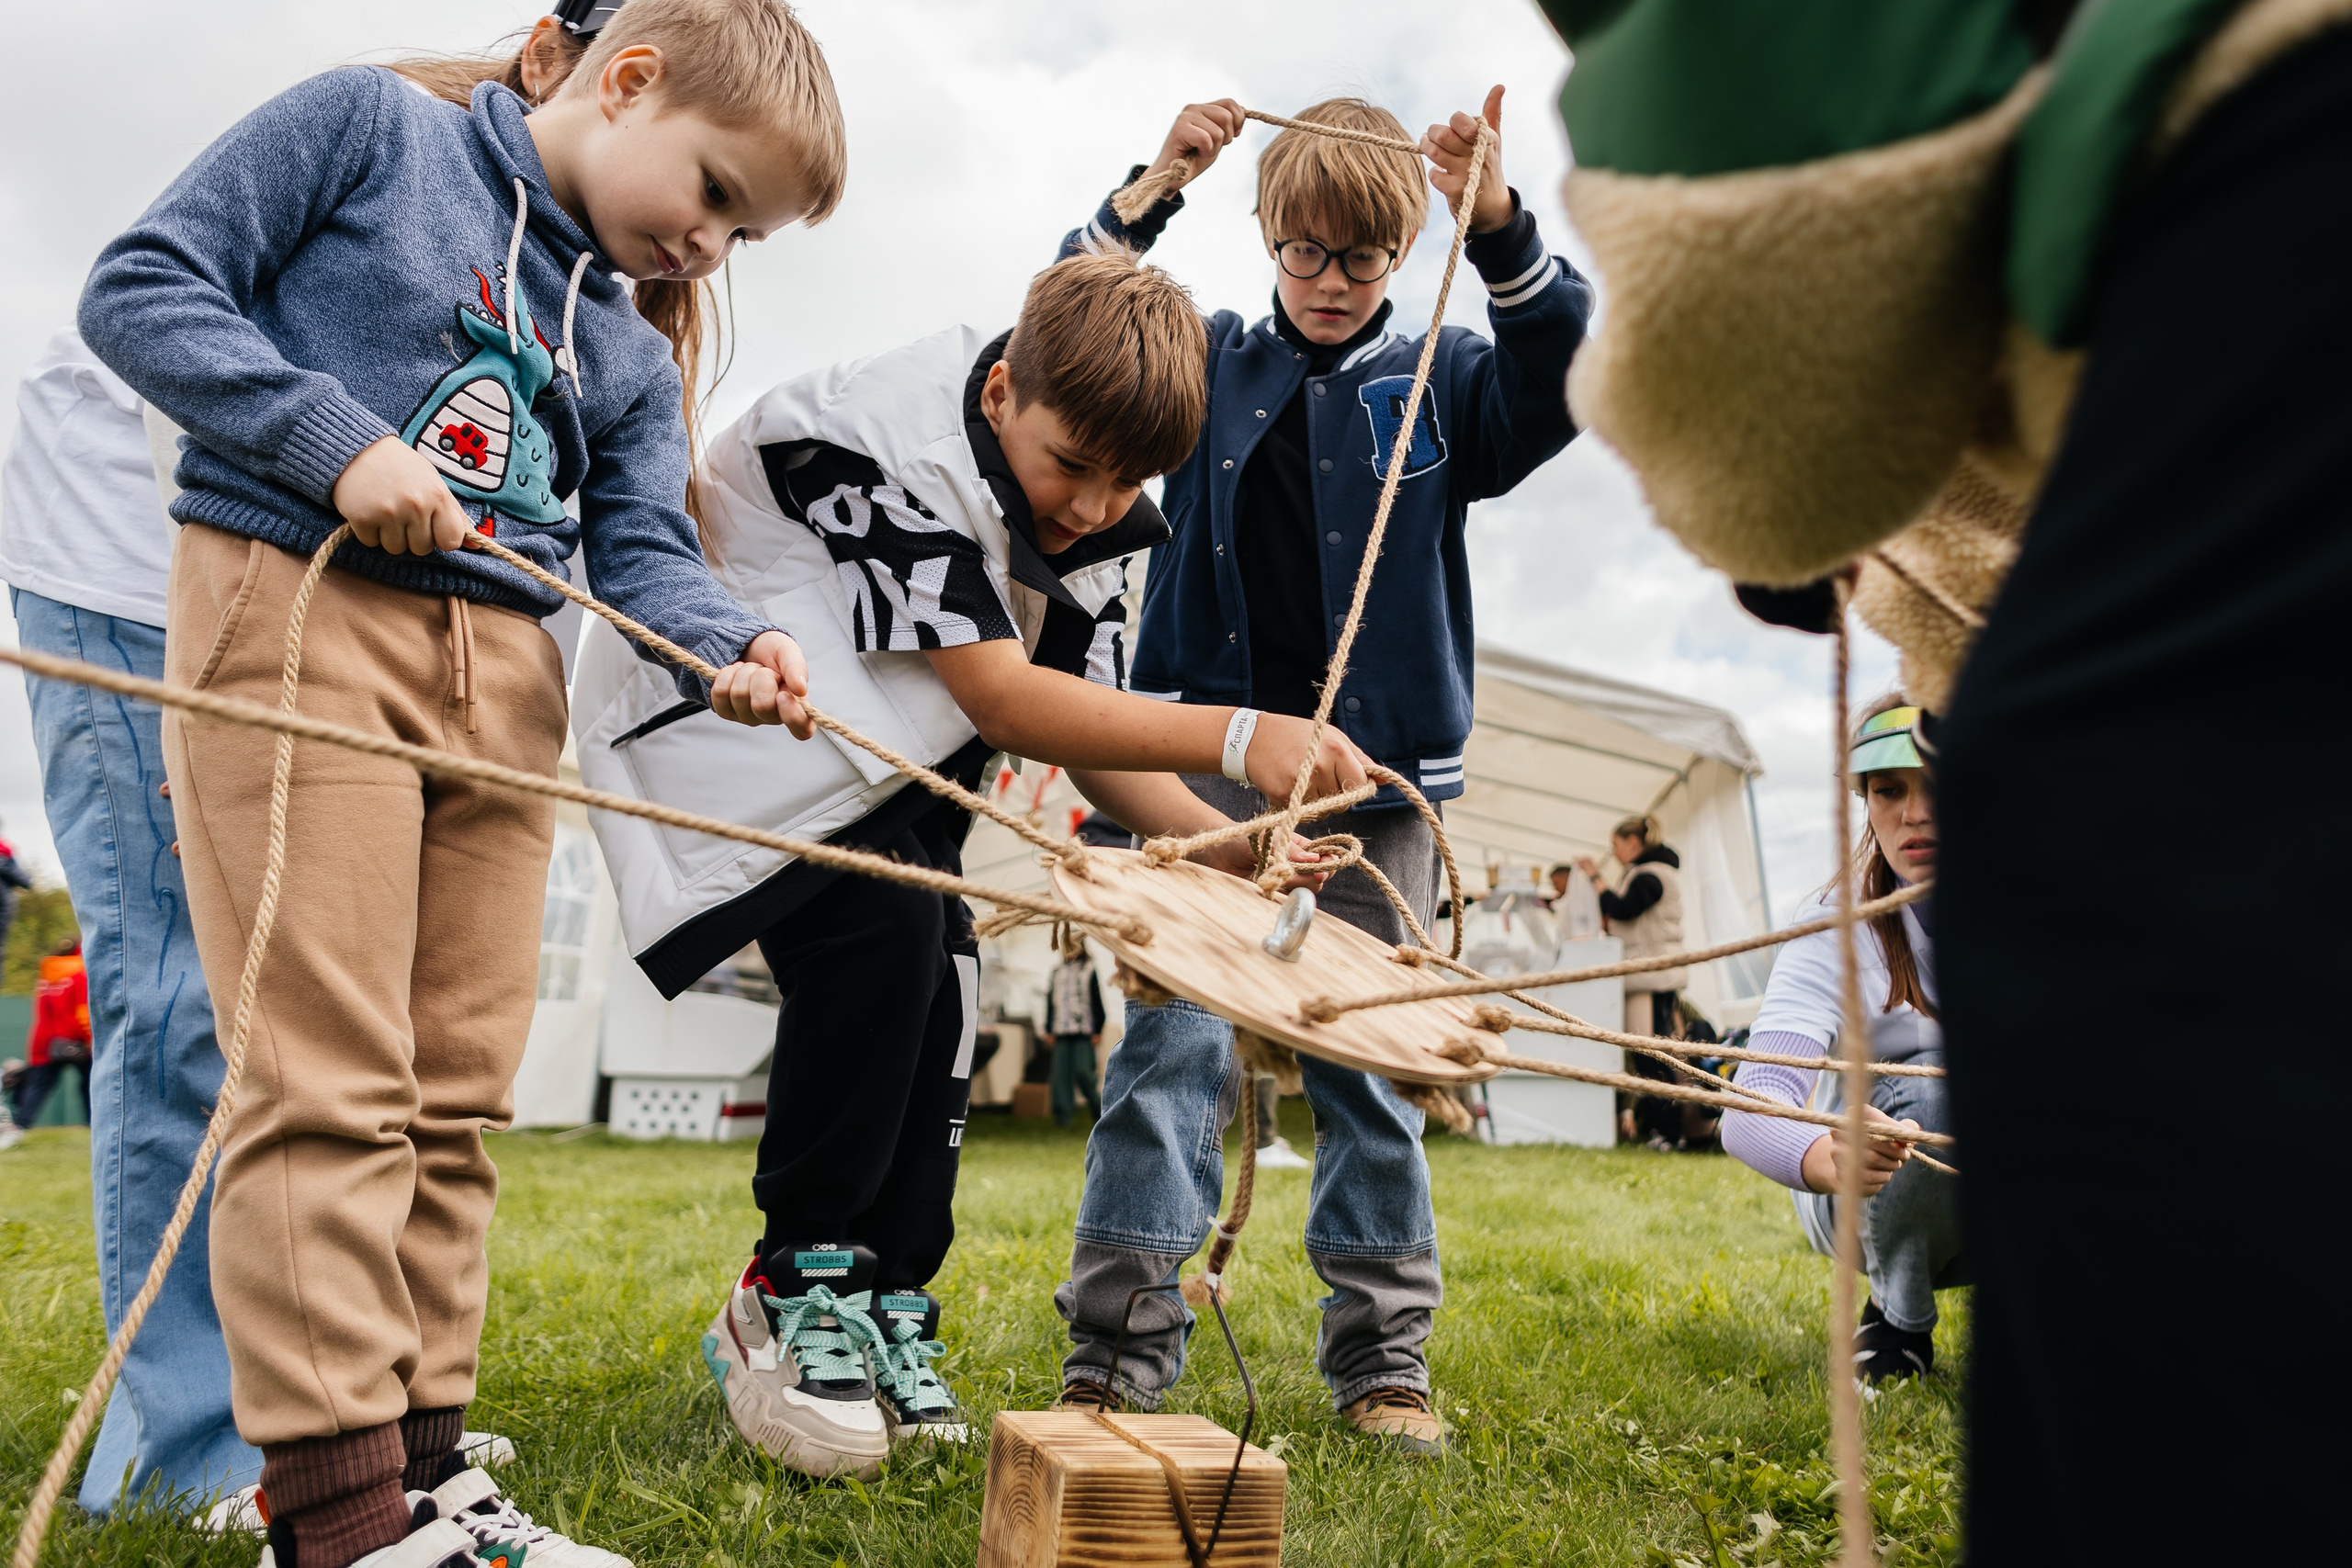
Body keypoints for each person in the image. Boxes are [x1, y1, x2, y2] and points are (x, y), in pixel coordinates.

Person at [1529, 4, 2352, 1555]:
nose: (1919, 806)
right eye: (1894, 789)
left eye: (1932, 784)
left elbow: (1773, 425)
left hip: (2261, 251)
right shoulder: (1842, 936)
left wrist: (1805, 541)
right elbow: (1761, 1092)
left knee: (2199, 1303)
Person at [75, 1, 844, 1562]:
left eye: (744, 234)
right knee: (330, 1081)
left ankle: (431, 1481)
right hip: (303, 610)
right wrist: (333, 440)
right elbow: (141, 286)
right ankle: (343, 1520)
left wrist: (731, 641)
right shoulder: (371, 134)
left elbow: (636, 548)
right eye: (712, 195)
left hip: (506, 686)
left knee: (451, 1099)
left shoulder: (624, 345)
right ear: (628, 80)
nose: (712, 248)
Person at [573, 248, 1363, 1482]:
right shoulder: (873, 443)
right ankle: (792, 1279)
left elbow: (1090, 727)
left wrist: (1232, 841)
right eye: (1075, 469)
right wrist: (1243, 736)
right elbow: (1003, 692)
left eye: (1128, 483)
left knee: (944, 989)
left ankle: (887, 1291)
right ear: (1001, 393)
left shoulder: (1094, 513)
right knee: (880, 951)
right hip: (738, 733)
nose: (1097, 507)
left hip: (881, 756)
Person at [1046, 90, 1593, 1453]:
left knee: (1369, 1064)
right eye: (1305, 250)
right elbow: (1065, 323)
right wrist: (1158, 176)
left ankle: (1383, 1362)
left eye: (1361, 257)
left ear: (1406, 249)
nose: (1332, 282)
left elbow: (1573, 364)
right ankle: (1116, 1353)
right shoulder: (1209, 359)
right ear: (1268, 237)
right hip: (1195, 754)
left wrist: (1506, 222)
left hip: (1375, 779)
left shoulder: (1449, 383)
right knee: (1166, 1051)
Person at [1719, 700, 1956, 1381]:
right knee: (1938, 1093)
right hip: (1863, 1194)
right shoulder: (1833, 923)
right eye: (1888, 789)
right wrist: (1830, 1153)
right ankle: (1898, 1321)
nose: (1914, 811)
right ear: (1866, 800)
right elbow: (1751, 1107)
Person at [1577, 814, 1690, 1145]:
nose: (1614, 853)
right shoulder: (1653, 874)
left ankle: (1669, 1133)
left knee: (1650, 1053)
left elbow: (1624, 909)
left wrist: (1596, 878)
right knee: (1656, 1052)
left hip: (1650, 978)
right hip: (1654, 976)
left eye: (1616, 846)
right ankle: (1667, 1129)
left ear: (1633, 843)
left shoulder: (1649, 876)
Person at [12, 939, 90, 1127]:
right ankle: (93, 1123)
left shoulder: (45, 978)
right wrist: (89, 1039)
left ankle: (20, 1126)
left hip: (44, 1040)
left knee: (38, 1086)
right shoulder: (79, 975)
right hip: (76, 1039)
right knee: (89, 1082)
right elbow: (83, 1013)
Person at [1045, 931, 1106, 1127]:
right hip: (1061, 1030)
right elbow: (1050, 1001)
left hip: (1083, 1030)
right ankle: (1062, 1116)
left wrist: (1098, 1028)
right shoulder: (1057, 971)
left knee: (1084, 1072)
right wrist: (1048, 1028)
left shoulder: (1089, 969)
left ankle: (1099, 1111)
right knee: (1060, 1074)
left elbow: (1097, 1001)